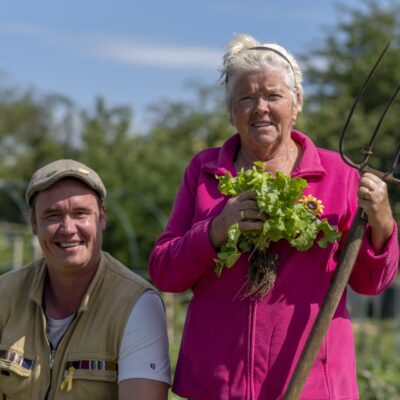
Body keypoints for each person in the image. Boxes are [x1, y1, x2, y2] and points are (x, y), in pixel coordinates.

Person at [148, 33, 399, 400]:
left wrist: (382, 221)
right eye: (246, 98)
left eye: (273, 96)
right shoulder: (204, 171)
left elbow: (369, 283)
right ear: (231, 110)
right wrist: (214, 231)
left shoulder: (339, 174)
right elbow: (164, 272)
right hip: (217, 385)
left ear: (296, 103)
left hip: (311, 384)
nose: (260, 107)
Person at [0, 159, 170, 400]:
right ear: (34, 224)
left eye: (80, 213)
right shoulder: (5, 293)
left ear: (102, 217)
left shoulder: (137, 305)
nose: (68, 228)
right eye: (52, 215)